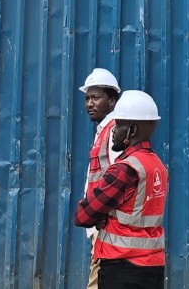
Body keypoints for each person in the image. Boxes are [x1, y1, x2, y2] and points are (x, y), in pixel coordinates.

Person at [74, 90, 167, 289]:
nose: (113, 130)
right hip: (153, 267)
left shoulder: (124, 169)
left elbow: (83, 215)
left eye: (118, 125)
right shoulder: (157, 166)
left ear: (132, 131)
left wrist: (102, 217)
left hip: (123, 268)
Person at [79, 68, 121, 289]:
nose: (89, 104)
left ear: (112, 101)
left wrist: (100, 213)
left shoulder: (115, 132)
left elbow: (119, 181)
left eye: (96, 98)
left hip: (107, 225)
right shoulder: (104, 131)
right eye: (87, 98)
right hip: (100, 224)